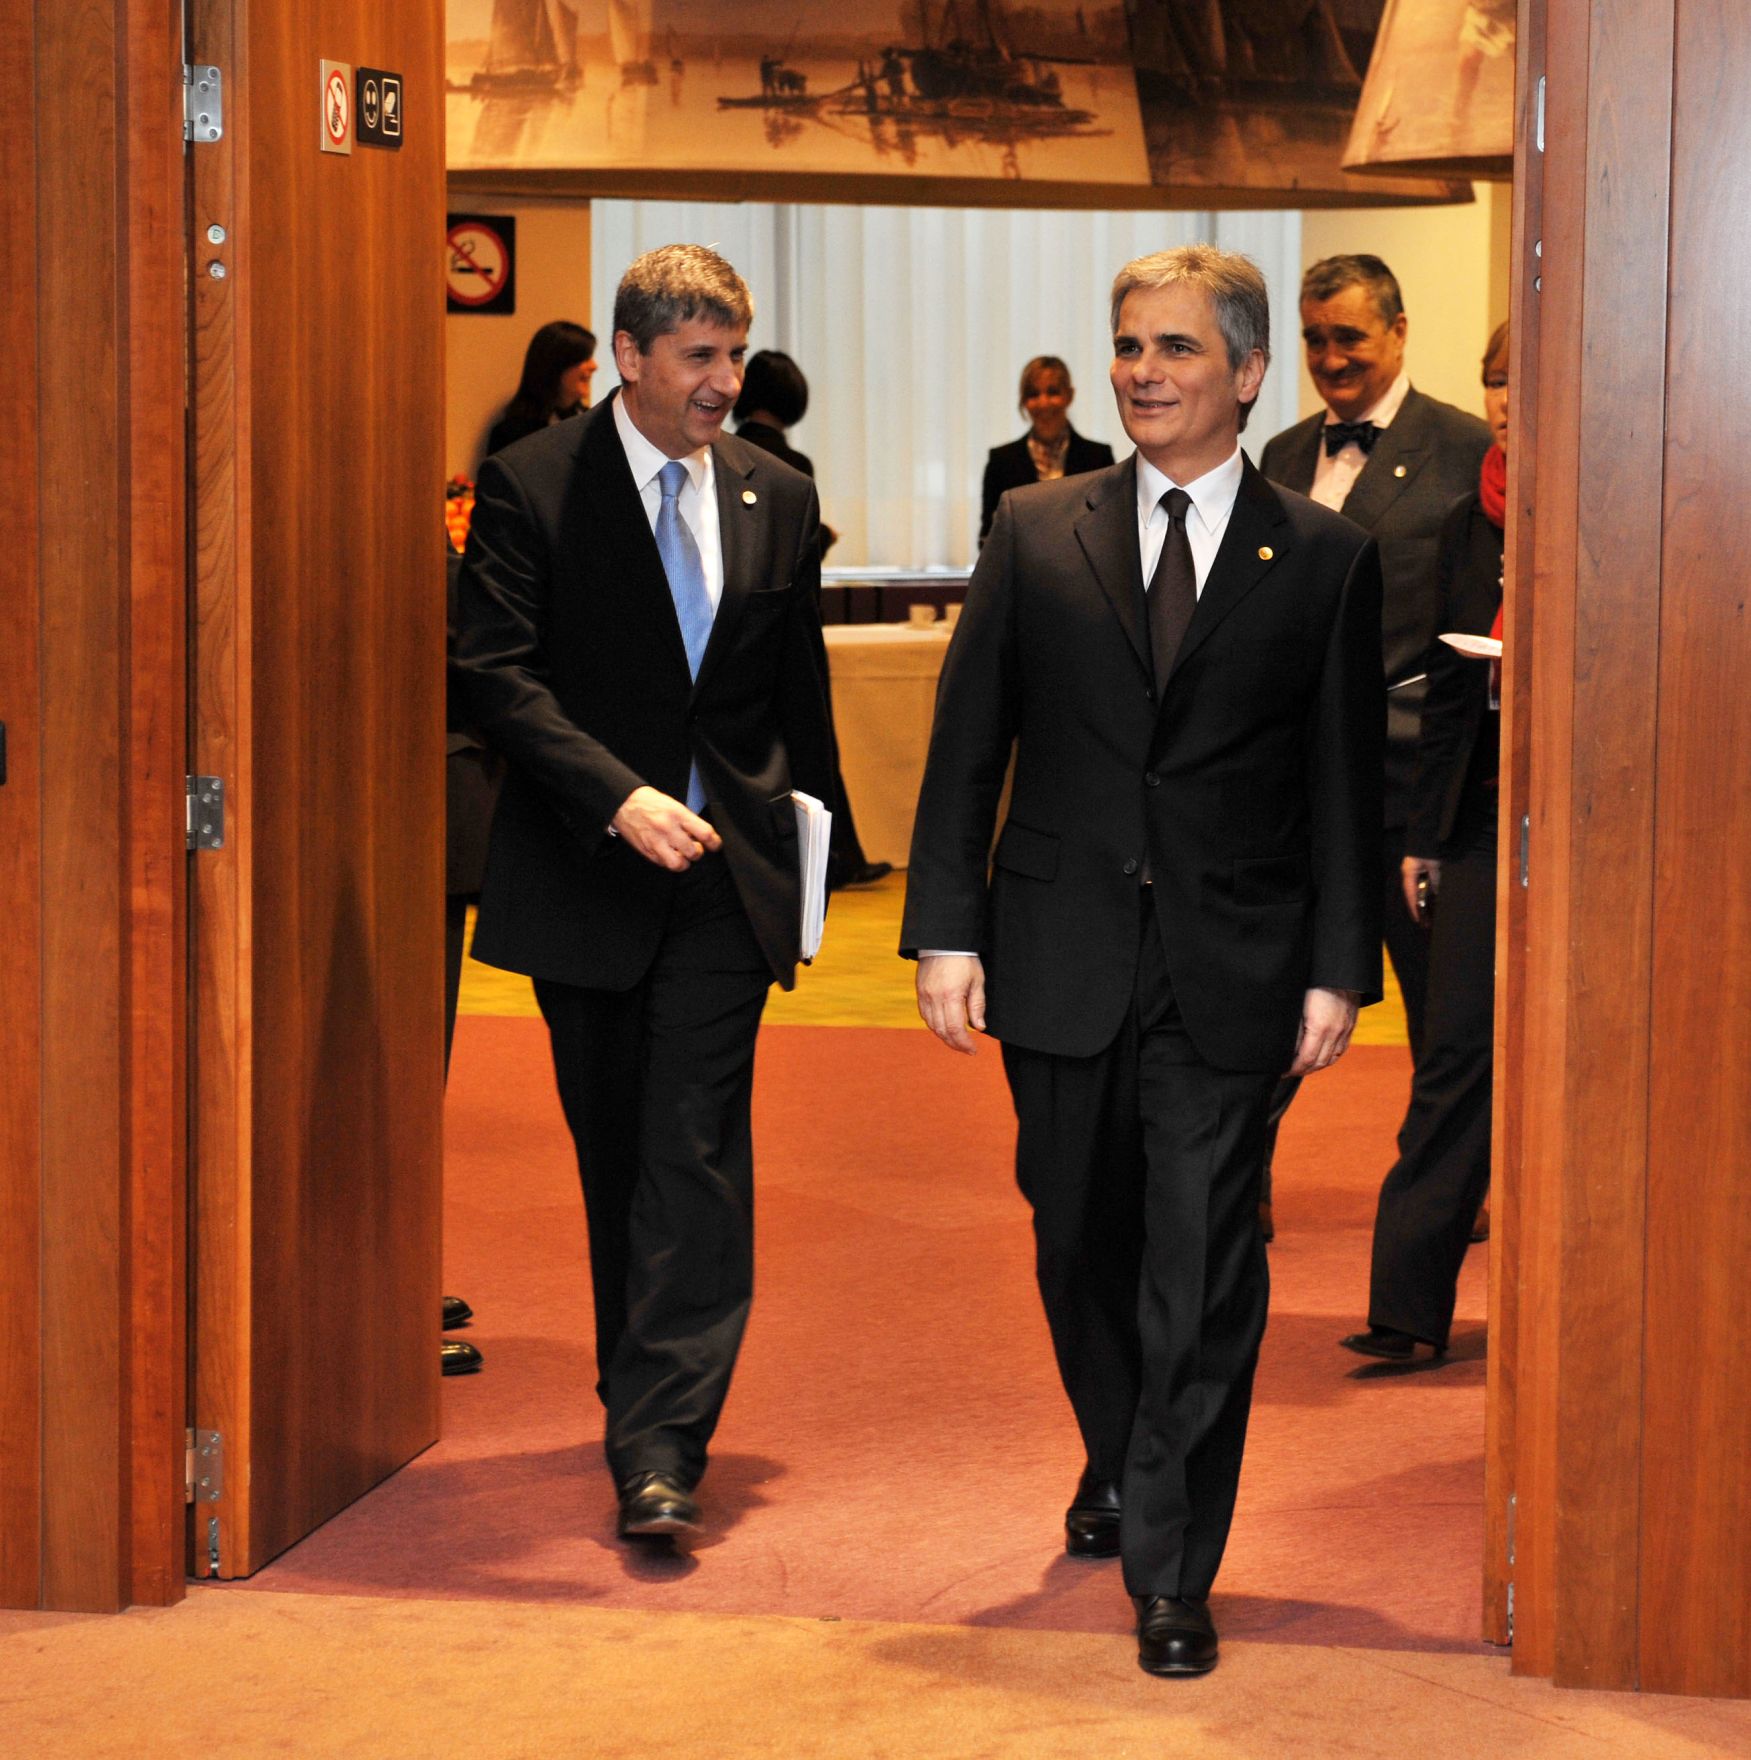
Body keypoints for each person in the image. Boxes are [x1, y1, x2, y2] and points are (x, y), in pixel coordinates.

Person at [903, 245, 1384, 1677]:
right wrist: (944, 926)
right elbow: (963, 743)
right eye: (1125, 346)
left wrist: (1336, 967)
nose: (1139, 372)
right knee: (1076, 1237)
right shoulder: (1035, 528)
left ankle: (1173, 1562)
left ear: (1245, 372)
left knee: (1201, 1257)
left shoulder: (1319, 559)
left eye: (1173, 348)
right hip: (1055, 951)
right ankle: (1118, 1445)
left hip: (1229, 966)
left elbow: (1340, 782)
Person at [453, 245, 835, 1544]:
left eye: (734, 355)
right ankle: (637, 1400)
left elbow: (796, 704)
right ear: (629, 358)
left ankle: (666, 1441)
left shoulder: (777, 495)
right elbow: (494, 675)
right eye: (698, 359)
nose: (724, 382)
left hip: (725, 885)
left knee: (695, 1150)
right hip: (587, 875)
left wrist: (811, 868)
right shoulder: (530, 488)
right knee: (615, 1151)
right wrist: (613, 793)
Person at [1256, 255, 1491, 1236]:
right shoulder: (1274, 452)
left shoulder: (1465, 447)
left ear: (1396, 332)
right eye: (1313, 339)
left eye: (1348, 336)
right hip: (1292, 787)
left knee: (1440, 1019)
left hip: (1408, 782)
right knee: (1264, 993)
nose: (1329, 357)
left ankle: (1448, 1196)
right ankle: (1232, 1172)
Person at [1342, 322, 1510, 1362]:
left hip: (1601, 825)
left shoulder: (1625, 493)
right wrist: (1423, 837)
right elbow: (1445, 696)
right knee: (1452, 1055)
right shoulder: (1468, 521)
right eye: (1495, 382)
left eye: (1522, 383)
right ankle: (1407, 1312)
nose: (1503, 402)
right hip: (1483, 820)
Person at [733, 349, 891, 890]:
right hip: (785, 629)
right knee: (813, 739)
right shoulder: (789, 467)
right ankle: (834, 852)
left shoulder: (721, 451)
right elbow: (791, 556)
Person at [979, 355, 1115, 544]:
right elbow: (987, 539)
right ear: (1024, 401)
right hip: (1021, 572)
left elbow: (1109, 530)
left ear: (1069, 395)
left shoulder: (1098, 459)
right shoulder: (1001, 462)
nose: (1043, 403)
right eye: (1033, 394)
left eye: (1053, 392)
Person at [485, 320, 597, 456]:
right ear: (555, 366)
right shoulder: (511, 434)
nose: (594, 366)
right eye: (583, 358)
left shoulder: (595, 425)